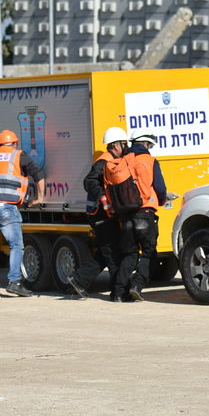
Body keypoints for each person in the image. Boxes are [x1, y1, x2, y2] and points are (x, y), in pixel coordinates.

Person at [0, 129, 45, 297]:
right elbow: (38, 173)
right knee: (16, 245)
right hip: (6, 208)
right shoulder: (18, 155)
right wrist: (40, 197)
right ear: (15, 143)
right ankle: (14, 282)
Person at [108, 131, 167, 303]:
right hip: (145, 213)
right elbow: (160, 188)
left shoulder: (122, 160)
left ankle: (118, 293)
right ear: (147, 144)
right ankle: (137, 285)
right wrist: (162, 201)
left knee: (130, 254)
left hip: (125, 215)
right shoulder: (149, 161)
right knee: (149, 253)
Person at [81, 127, 128, 298]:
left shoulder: (113, 160)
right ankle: (118, 292)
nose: (126, 146)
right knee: (112, 252)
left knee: (105, 252)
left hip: (104, 214)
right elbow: (89, 181)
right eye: (124, 144)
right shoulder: (103, 162)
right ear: (116, 145)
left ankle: (78, 280)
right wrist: (102, 197)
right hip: (99, 214)